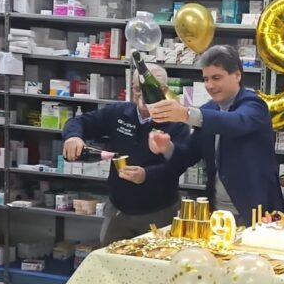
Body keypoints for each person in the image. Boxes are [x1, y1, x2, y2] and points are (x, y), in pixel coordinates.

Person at [147, 45, 283, 221]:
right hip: (217, 212)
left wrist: (186, 114)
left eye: (216, 78)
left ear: (237, 75)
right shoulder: (208, 110)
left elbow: (235, 123)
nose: (210, 86)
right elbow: (189, 154)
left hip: (256, 213)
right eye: (206, 79)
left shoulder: (254, 105)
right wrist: (166, 147)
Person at [62, 63, 191, 245]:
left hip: (159, 212)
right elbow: (79, 121)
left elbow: (178, 165)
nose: (142, 95)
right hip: (118, 211)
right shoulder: (118, 113)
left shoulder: (176, 124)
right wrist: (73, 136)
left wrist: (146, 175)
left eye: (149, 90)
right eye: (138, 89)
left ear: (164, 91)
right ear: (132, 89)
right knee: (109, 259)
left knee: (157, 259)